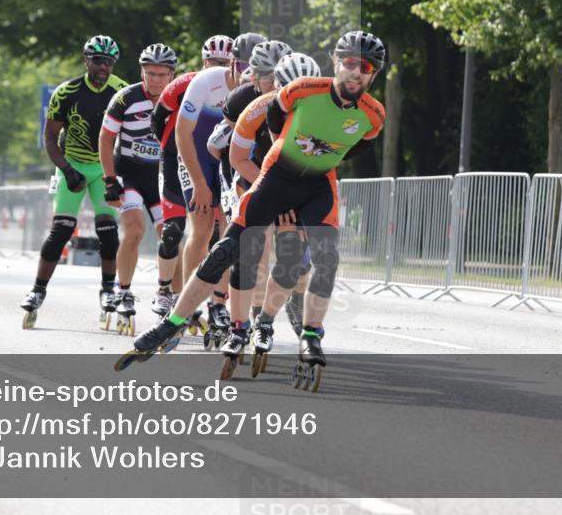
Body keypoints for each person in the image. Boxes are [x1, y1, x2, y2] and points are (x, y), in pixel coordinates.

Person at [122, 31, 387, 387]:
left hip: (318, 186)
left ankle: (310, 335)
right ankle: (173, 322)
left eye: (365, 67)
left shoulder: (373, 114)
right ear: (337, 62)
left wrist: (316, 163)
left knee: (324, 258)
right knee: (227, 251)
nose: (356, 72)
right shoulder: (300, 91)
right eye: (350, 63)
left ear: (374, 74)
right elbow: (268, 130)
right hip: (274, 176)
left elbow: (356, 148)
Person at [20, 35, 127, 328]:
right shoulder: (66, 92)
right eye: (97, 60)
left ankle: (108, 290)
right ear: (86, 61)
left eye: (109, 62)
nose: (103, 66)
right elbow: (50, 140)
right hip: (73, 163)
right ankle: (37, 290)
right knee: (61, 230)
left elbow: (128, 137)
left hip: (105, 166)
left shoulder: (122, 92)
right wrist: (67, 170)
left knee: (108, 232)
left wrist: (116, 173)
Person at [229, 53, 321, 363]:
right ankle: (254, 320)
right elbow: (229, 155)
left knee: (296, 260)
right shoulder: (258, 107)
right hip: (254, 177)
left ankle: (294, 298)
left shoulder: (323, 112)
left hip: (296, 187)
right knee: (258, 245)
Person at [174, 32, 266, 336]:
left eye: (255, 67)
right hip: (196, 155)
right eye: (241, 65)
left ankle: (217, 303)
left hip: (228, 157)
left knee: (230, 230)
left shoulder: (260, 90)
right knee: (201, 226)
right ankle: (187, 307)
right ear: (231, 64)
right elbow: (182, 135)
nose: (247, 73)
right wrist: (199, 184)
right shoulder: (206, 81)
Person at [149, 35, 233, 318]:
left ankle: (218, 304)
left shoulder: (242, 84)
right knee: (186, 230)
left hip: (221, 159)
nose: (218, 65)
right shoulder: (187, 83)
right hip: (180, 155)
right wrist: (168, 150)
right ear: (203, 61)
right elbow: (157, 118)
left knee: (223, 234)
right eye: (213, 61)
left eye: (224, 62)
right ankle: (177, 298)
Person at [99, 43, 177, 333]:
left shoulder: (178, 99)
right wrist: (109, 181)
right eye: (149, 73)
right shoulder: (125, 98)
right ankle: (124, 290)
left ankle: (171, 295)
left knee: (171, 235)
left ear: (172, 75)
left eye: (161, 74)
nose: (155, 80)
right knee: (134, 229)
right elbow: (106, 139)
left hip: (159, 175)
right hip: (128, 171)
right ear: (141, 72)